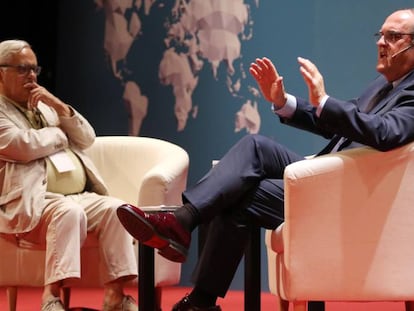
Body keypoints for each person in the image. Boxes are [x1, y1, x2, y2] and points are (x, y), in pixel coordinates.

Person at [116, 8, 414, 311]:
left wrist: (325, 101)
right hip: (329, 180)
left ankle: (185, 242)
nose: (381, 43)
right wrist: (284, 103)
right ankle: (188, 249)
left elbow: (386, 133)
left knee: (239, 194)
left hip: (351, 197)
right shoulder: (382, 87)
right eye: (380, 35)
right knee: (254, 154)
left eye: (393, 37)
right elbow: (341, 123)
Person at [0, 39, 138, 311]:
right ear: (0, 73)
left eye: (34, 69)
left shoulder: (43, 106)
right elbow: (23, 146)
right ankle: (50, 298)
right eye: (22, 69)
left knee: (118, 210)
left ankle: (115, 296)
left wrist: (59, 106)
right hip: (32, 201)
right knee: (68, 213)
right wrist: (60, 134)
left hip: (77, 196)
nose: (31, 76)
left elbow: (86, 138)